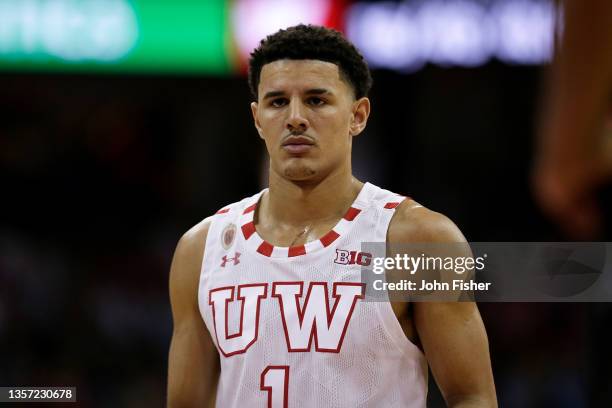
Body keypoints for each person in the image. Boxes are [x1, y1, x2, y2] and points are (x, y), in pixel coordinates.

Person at [167, 24, 497, 408]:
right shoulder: (201, 250)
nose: (295, 118)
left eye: (316, 100)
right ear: (258, 119)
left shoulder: (414, 239)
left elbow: (472, 396)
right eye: (277, 102)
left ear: (358, 115)